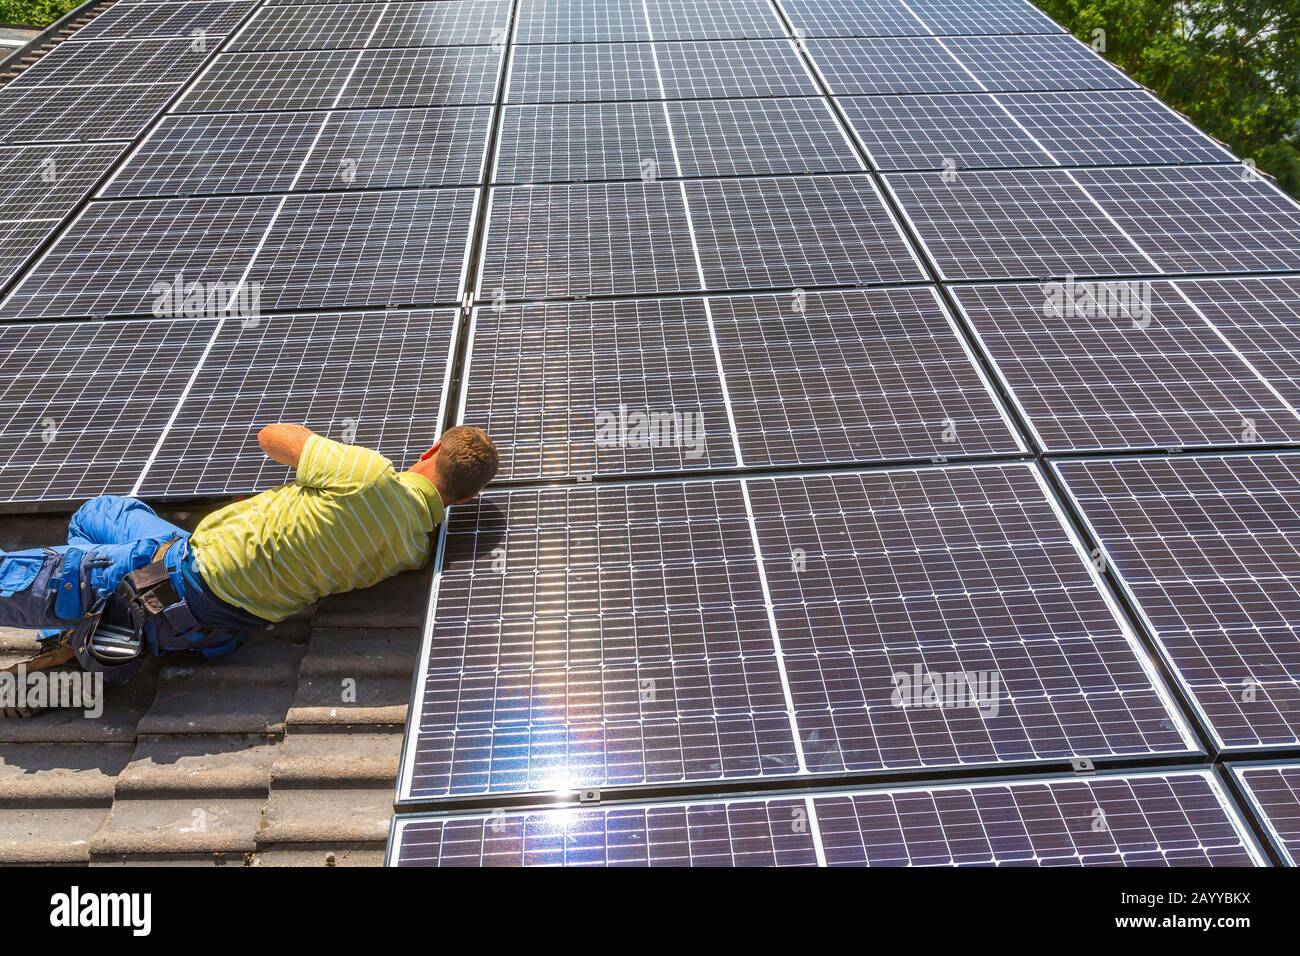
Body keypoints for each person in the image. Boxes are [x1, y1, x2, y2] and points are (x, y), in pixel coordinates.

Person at [0, 424, 498, 695]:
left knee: (17, 577)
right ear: (464, 500)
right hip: (223, 615)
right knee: (102, 512)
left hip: (177, 577)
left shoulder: (368, 473)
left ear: (432, 449)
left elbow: (270, 437)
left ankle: (84, 616)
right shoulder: (413, 550)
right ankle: (73, 637)